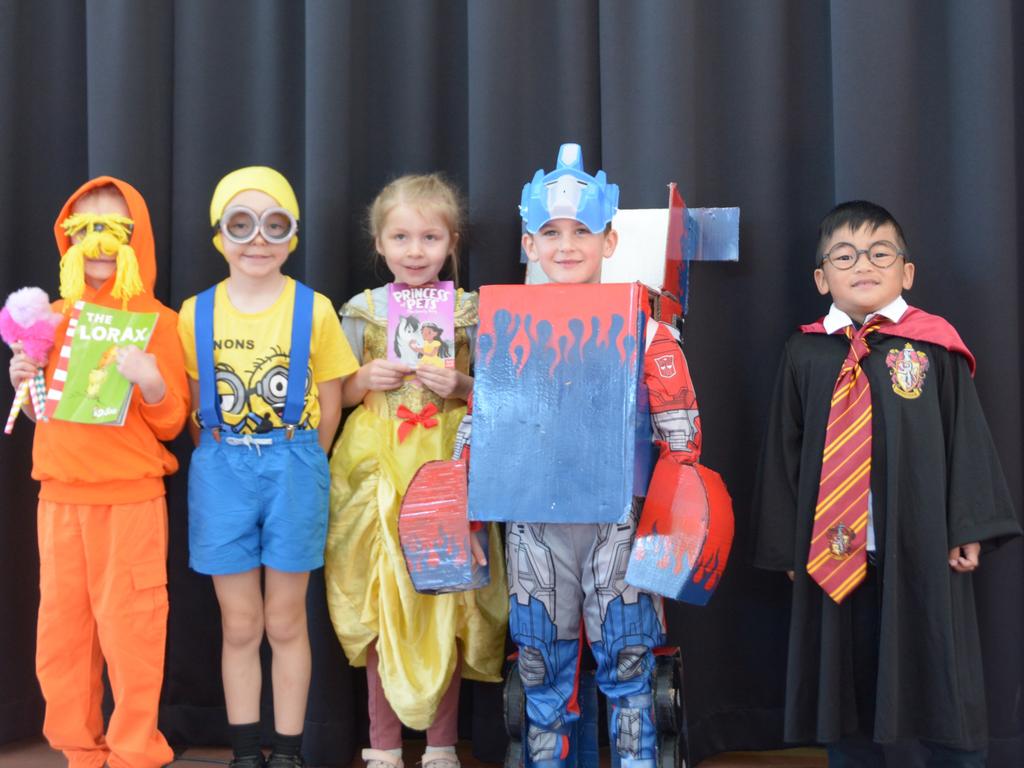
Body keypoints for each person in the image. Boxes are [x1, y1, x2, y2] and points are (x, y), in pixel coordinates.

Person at [751, 200, 1020, 766]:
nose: (863, 265)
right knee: (846, 673)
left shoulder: (932, 346)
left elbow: (964, 437)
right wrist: (785, 544)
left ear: (907, 272)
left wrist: (968, 524)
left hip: (921, 541)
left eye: (880, 252)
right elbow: (784, 450)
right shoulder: (805, 351)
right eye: (844, 255)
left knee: (934, 660)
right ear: (822, 277)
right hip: (833, 545)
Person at [503, 144, 702, 768]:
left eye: (582, 231)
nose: (566, 244)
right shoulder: (506, 326)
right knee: (539, 661)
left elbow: (683, 432)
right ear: (529, 244)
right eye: (550, 232)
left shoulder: (647, 330)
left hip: (621, 515)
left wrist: (676, 512)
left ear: (609, 242)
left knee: (628, 657)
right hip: (533, 517)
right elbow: (488, 422)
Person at [324, 174, 507, 768]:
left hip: (444, 462)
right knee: (383, 599)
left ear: (451, 243)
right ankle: (381, 747)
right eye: (400, 237)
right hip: (376, 466)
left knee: (443, 597)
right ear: (379, 244)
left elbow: (500, 397)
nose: (414, 250)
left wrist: (461, 385)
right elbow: (335, 393)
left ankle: (442, 745)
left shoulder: (472, 314)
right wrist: (361, 382)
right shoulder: (361, 313)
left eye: (430, 237)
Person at [178, 166, 358, 768]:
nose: (258, 238)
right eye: (241, 223)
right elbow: (194, 405)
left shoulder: (317, 310)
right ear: (219, 236)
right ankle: (246, 752)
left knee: (285, 621)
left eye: (273, 224)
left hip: (294, 462)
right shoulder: (191, 314)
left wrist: (298, 457)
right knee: (239, 623)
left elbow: (330, 407)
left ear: (292, 236)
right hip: (220, 466)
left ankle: (287, 752)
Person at [8, 177, 188, 768]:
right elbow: (44, 409)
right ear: (67, 240)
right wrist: (23, 383)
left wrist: (152, 380)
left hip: (130, 503)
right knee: (62, 636)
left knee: (133, 632)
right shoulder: (51, 319)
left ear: (137, 239)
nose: (97, 242)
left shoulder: (158, 321)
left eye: (114, 229)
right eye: (82, 229)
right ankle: (79, 749)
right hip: (59, 500)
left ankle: (136, 750)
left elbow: (171, 422)